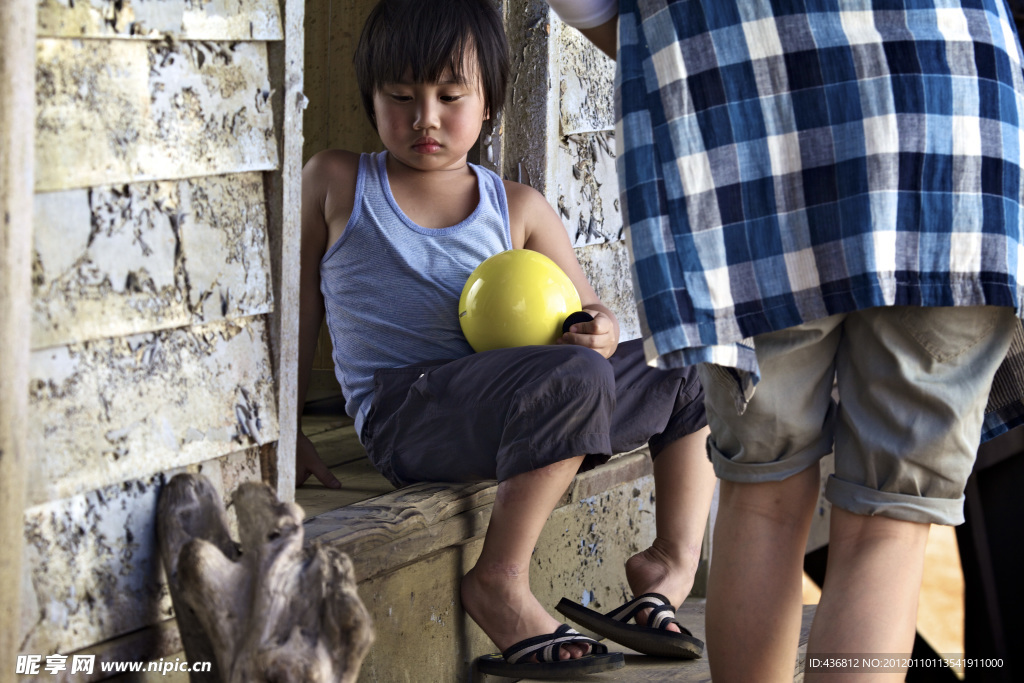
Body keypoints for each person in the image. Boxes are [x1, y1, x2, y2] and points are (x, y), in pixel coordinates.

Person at [547, 0, 1024, 680]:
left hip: (743, 117)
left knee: (762, 495)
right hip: (952, 107)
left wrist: (696, 61)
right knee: (891, 515)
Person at [297, 0, 717, 677]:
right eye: (400, 97)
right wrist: (288, 430)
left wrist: (601, 331)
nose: (424, 117)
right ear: (370, 100)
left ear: (488, 102)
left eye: (448, 95)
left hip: (521, 405)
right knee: (572, 378)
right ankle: (499, 581)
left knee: (691, 359)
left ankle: (665, 570)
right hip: (411, 415)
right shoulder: (340, 181)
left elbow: (591, 321)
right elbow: (298, 312)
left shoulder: (517, 206)